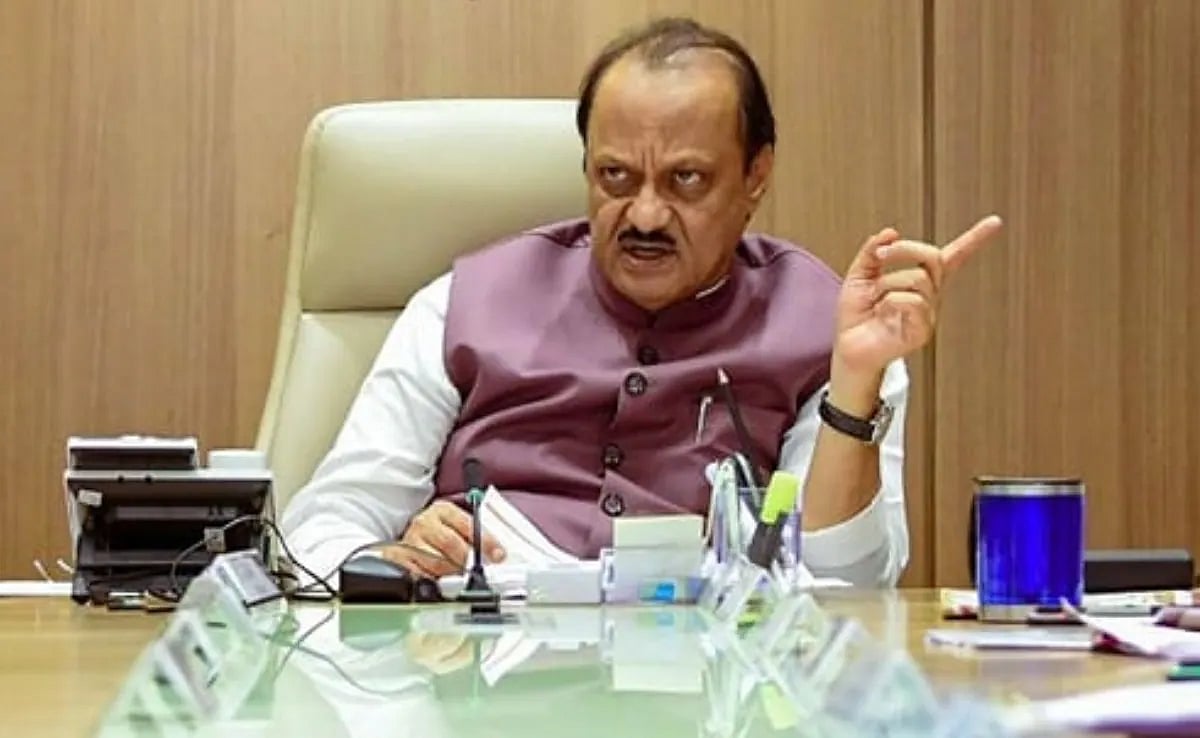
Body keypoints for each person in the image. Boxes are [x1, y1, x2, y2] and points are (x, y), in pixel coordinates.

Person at [280, 17, 1000, 588]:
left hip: (708, 686)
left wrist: (855, 387)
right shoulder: (459, 305)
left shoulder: (832, 331)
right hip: (473, 672)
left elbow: (849, 584)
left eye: (686, 180)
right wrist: (392, 559)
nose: (646, 215)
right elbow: (321, 529)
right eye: (615, 178)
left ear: (756, 175)